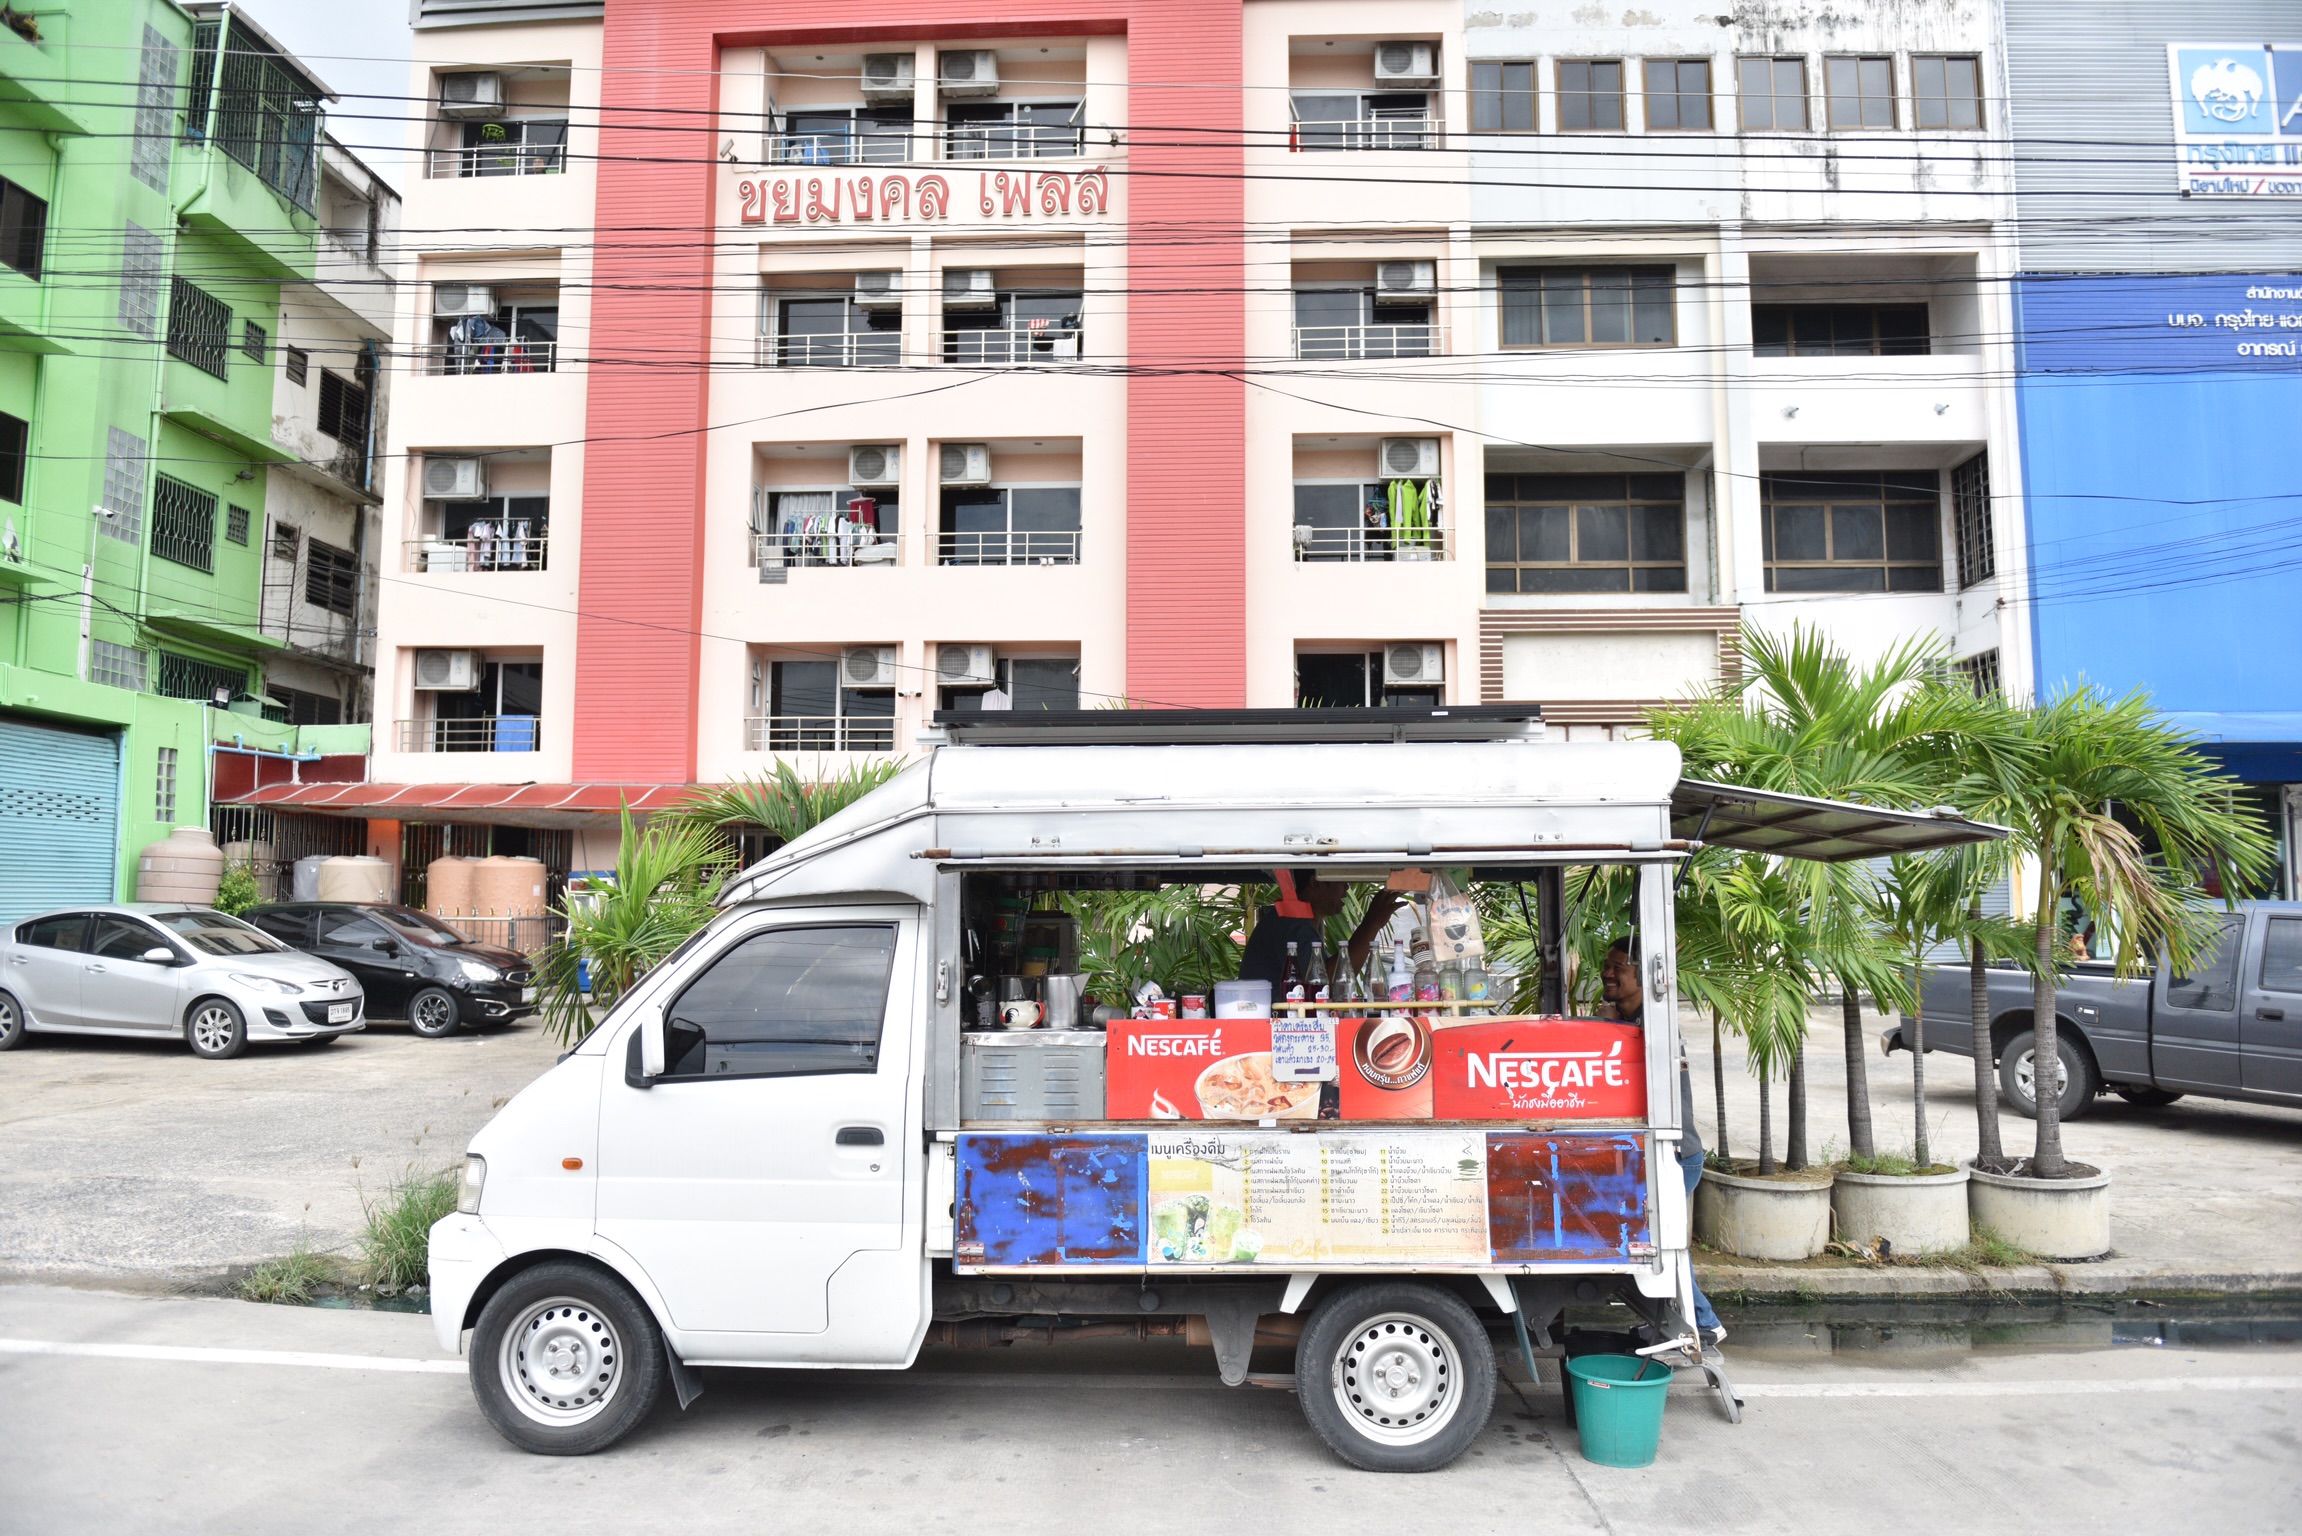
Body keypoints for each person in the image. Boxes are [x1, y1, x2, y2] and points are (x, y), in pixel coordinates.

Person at [1601, 935, 1726, 1350]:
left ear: (1642, 973)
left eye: (1619, 967)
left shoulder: (1656, 1027)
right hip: (1647, 1153)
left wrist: (1610, 1029)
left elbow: (1642, 1082)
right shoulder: (1626, 1019)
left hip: (1675, 1153)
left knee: (1667, 1242)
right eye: (1607, 965)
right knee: (1655, 1241)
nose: (1608, 973)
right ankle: (1677, 1321)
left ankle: (1704, 1323)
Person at [1238, 869, 1401, 987]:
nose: (1347, 888)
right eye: (1341, 880)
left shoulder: (1297, 922)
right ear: (1316, 883)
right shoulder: (1293, 924)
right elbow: (1328, 983)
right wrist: (1371, 924)